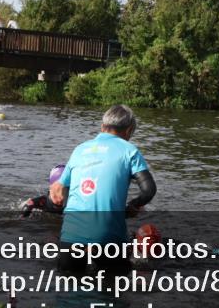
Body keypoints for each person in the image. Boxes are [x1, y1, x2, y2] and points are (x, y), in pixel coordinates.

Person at [49, 105, 156, 277]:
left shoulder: (80, 149)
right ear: (129, 131)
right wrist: (133, 206)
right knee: (113, 292)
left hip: (71, 235)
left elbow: (58, 189)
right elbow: (149, 190)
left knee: (69, 292)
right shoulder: (129, 150)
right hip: (109, 236)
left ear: (102, 127)